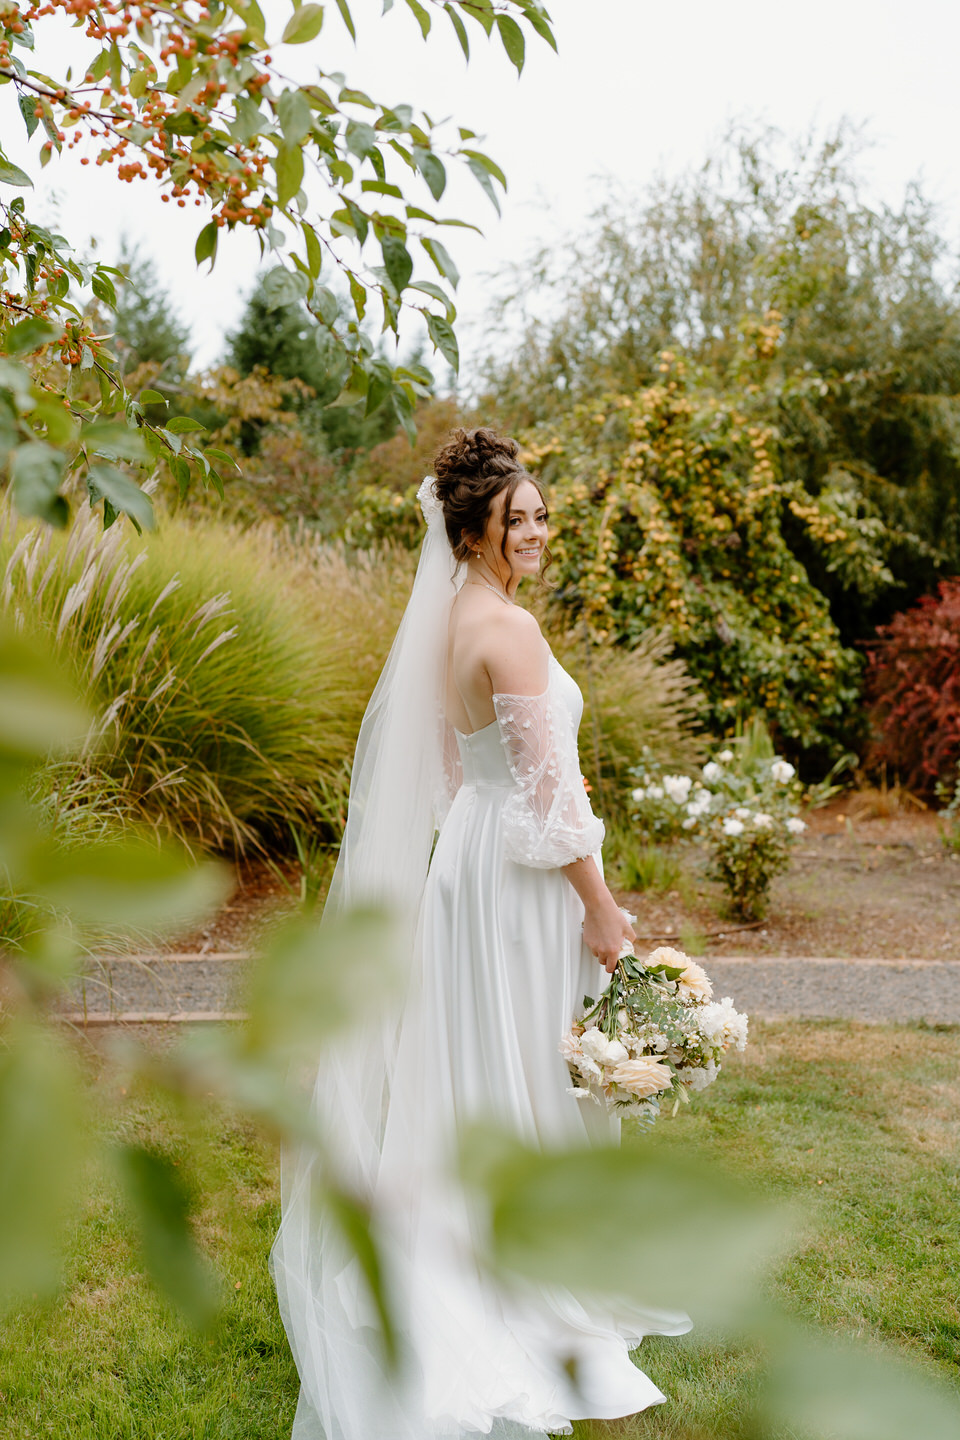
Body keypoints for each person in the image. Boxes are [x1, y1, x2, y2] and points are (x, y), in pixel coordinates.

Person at [271, 428, 689, 1440]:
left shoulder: (452, 621)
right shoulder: (510, 631)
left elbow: (463, 771)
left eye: (543, 514)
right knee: (534, 1062)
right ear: (471, 532)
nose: (540, 530)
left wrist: (492, 831)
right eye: (520, 519)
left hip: (469, 860)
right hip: (522, 874)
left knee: (476, 1061)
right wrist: (602, 908)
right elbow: (550, 802)